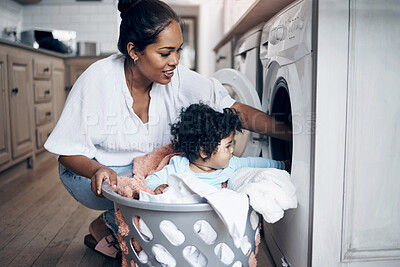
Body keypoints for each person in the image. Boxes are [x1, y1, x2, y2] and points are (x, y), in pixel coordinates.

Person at [44, 0, 291, 259]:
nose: (174, 61)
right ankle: (112, 219)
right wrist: (97, 170)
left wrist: (290, 132)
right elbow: (66, 153)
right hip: (90, 173)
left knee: (185, 174)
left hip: (148, 170)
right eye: (165, 53)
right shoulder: (98, 81)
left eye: (178, 51)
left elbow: (231, 108)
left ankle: (109, 221)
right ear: (134, 50)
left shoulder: (178, 78)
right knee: (167, 182)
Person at [145, 103, 289, 194]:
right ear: (204, 151)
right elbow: (150, 180)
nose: (232, 150)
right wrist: (160, 187)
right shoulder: (178, 166)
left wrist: (282, 165)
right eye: (228, 146)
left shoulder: (230, 166)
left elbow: (254, 163)